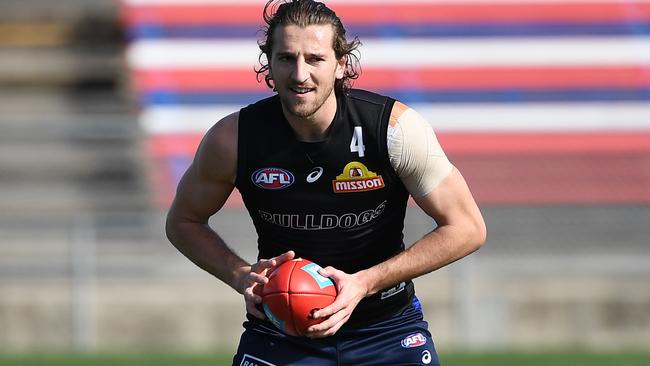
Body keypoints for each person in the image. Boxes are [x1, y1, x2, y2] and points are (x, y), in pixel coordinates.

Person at [165, 0, 486, 364]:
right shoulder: (233, 138)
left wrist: (365, 282)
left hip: (386, 330)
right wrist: (240, 275)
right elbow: (183, 221)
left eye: (315, 59)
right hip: (279, 333)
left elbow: (467, 228)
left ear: (341, 64)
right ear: (268, 63)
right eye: (286, 58)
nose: (300, 74)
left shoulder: (394, 129)